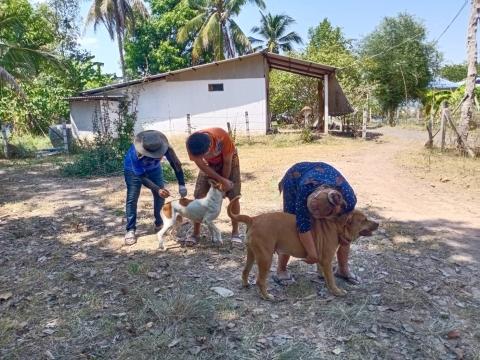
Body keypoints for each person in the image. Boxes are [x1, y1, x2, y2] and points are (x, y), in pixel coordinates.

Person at [276, 161, 359, 284]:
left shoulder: (349, 200)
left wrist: (343, 236)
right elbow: (302, 226)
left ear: (331, 213)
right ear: (315, 195)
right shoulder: (305, 188)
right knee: (291, 222)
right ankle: (281, 269)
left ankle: (342, 269)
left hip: (324, 176)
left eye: (319, 214)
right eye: (312, 209)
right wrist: (312, 254)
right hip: (295, 176)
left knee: (343, 235)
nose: (314, 215)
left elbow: (345, 228)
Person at [123, 130, 187, 245]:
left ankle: (159, 223)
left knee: (160, 198)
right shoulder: (135, 155)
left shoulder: (164, 147)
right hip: (132, 172)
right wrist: (158, 189)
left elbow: (176, 164)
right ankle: (130, 229)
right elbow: (142, 177)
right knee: (132, 199)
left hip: (154, 169)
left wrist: (181, 184)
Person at [185, 127, 242, 245]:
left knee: (234, 196)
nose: (200, 157)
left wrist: (224, 182)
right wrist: (220, 180)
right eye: (198, 156)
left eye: (203, 155)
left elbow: (227, 163)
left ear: (210, 146)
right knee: (199, 196)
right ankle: (195, 233)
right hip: (208, 166)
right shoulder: (191, 144)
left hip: (229, 162)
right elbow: (203, 166)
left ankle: (235, 232)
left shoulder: (222, 137)